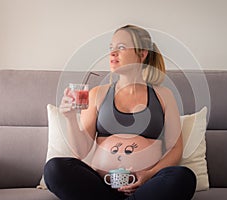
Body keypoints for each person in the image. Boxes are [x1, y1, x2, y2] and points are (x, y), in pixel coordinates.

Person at [44, 25, 196, 200]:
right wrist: (70, 118)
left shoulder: (163, 95)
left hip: (146, 187)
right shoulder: (97, 94)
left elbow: (175, 149)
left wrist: (149, 174)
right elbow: (81, 152)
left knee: (183, 177)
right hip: (100, 187)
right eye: (111, 48)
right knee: (54, 168)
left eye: (121, 47)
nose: (113, 53)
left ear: (142, 53)